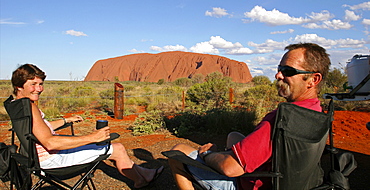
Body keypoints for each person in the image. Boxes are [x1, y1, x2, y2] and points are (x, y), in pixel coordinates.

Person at [168, 43, 331, 190]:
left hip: (250, 184)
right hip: (289, 178)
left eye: (287, 71)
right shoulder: (316, 112)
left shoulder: (280, 120)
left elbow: (231, 169)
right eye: (279, 69)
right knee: (234, 136)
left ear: (313, 79)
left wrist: (207, 155)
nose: (278, 76)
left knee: (178, 151)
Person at [10, 64, 163, 189]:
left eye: (40, 84)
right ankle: (141, 181)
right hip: (51, 159)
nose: (39, 89)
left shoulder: (16, 105)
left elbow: (41, 127)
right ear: (19, 86)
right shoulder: (30, 107)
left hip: (37, 156)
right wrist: (93, 137)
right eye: (33, 84)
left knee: (116, 147)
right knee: (117, 149)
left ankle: (145, 174)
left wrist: (65, 120)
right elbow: (50, 142)